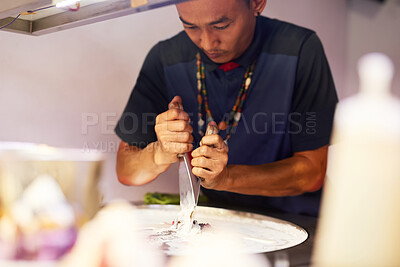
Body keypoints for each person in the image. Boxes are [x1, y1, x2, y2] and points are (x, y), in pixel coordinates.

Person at [114, 0, 338, 216]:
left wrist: (227, 178)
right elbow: (127, 169)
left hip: (296, 220)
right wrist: (159, 153)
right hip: (221, 221)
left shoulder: (298, 49)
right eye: (190, 26)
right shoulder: (166, 58)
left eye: (221, 25)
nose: (208, 43)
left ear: (257, 3)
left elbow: (312, 172)